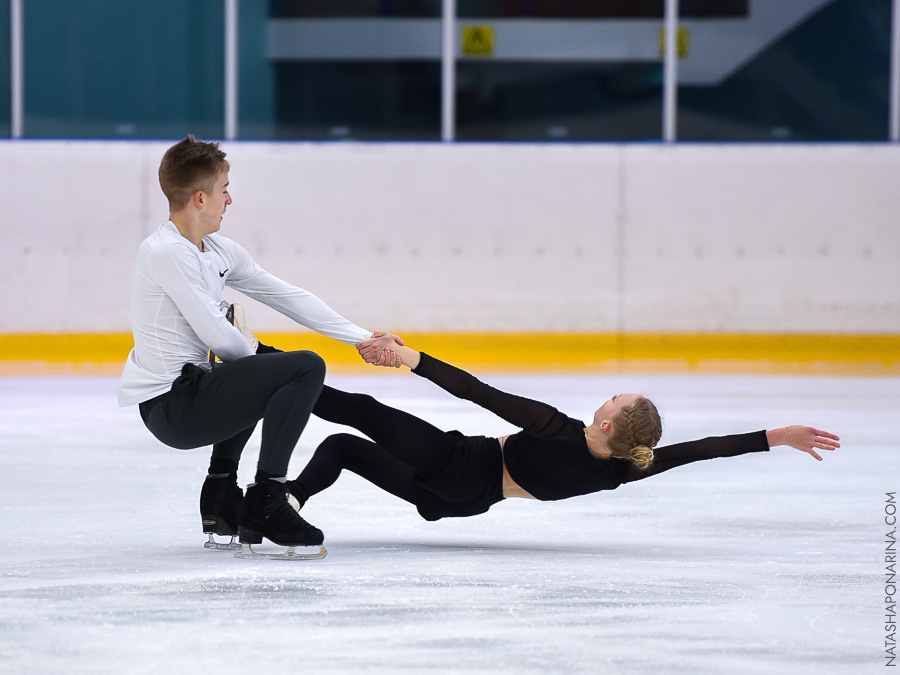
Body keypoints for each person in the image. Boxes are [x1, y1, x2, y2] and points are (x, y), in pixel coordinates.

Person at [117, 136, 401, 552]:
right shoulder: (165, 252)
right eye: (224, 189)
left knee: (264, 365)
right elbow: (219, 337)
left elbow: (285, 295)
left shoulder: (215, 249)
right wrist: (274, 370)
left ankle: (219, 494)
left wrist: (363, 338)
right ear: (200, 198)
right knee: (301, 367)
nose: (229, 199)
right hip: (171, 408)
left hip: (191, 393)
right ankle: (268, 498)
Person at [286, 341, 840, 524]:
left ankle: (268, 367)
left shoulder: (558, 430)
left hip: (461, 465)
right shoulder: (625, 468)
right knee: (341, 448)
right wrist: (774, 436)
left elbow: (479, 392)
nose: (615, 391)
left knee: (362, 410)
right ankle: (287, 500)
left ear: (607, 422)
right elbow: (697, 453)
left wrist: (410, 357)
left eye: (619, 398)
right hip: (461, 501)